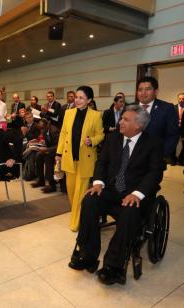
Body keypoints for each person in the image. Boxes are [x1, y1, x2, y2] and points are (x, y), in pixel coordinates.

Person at [69, 105, 164, 285]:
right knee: (89, 200)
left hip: (135, 195)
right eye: (121, 118)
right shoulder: (112, 138)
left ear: (138, 126)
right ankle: (87, 255)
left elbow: (155, 173)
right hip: (111, 190)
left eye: (126, 119)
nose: (120, 122)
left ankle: (114, 266)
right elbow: (101, 164)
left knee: (129, 212)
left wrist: (137, 194)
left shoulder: (153, 144)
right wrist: (98, 183)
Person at [56, 86, 104, 231]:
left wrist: (93, 140)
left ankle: (75, 222)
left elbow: (101, 134)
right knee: (71, 190)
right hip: (69, 158)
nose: (77, 100)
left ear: (89, 100)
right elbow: (63, 134)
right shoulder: (68, 113)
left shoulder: (96, 115)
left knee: (79, 191)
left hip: (86, 159)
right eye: (76, 97)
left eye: (81, 98)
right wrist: (58, 154)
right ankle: (78, 212)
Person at [131, 76, 178, 160]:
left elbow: (172, 136)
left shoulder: (167, 108)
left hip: (154, 160)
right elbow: (120, 131)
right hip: (129, 158)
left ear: (156, 92)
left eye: (148, 89)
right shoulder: (129, 108)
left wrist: (161, 155)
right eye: (140, 90)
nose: (143, 93)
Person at [32, 119, 60, 193]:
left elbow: (59, 146)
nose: (41, 131)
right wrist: (42, 143)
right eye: (40, 129)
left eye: (42, 129)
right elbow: (48, 142)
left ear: (47, 125)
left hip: (58, 152)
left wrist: (46, 150)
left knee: (48, 157)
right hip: (50, 150)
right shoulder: (45, 130)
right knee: (38, 156)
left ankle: (51, 184)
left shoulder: (54, 131)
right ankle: (41, 180)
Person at [174, 93, 184, 165]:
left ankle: (181, 160)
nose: (181, 100)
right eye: (180, 98)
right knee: (173, 144)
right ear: (178, 99)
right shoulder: (173, 107)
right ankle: (173, 160)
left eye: (183, 98)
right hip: (175, 129)